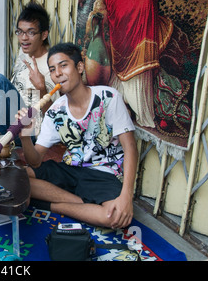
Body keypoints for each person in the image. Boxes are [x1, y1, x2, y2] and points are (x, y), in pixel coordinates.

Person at [17, 43, 138, 229]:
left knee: (112, 217)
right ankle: (80, 203)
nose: (57, 73)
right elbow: (35, 161)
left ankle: (54, 206)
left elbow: (130, 148)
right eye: (52, 69)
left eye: (63, 65)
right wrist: (25, 136)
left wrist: (126, 197)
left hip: (104, 175)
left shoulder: (108, 97)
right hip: (70, 170)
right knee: (17, 178)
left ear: (80, 67)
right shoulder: (55, 111)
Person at [0, 0, 60, 136]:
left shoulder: (53, 65)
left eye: (30, 33)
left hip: (33, 131)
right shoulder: (24, 52)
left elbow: (55, 118)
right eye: (20, 32)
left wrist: (41, 88)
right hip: (14, 119)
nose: (23, 38)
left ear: (44, 35)